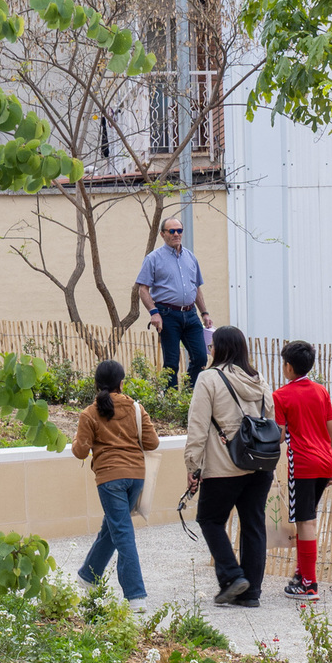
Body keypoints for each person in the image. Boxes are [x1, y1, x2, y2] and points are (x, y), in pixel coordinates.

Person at [184, 325, 274, 608]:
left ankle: (232, 576)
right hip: (260, 465)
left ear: (218, 348)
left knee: (209, 519)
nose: (208, 350)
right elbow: (270, 419)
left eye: (211, 346)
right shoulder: (259, 380)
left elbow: (197, 426)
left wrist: (193, 465)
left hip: (224, 466)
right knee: (253, 524)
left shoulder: (208, 378)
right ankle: (251, 593)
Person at [72, 360, 159, 612]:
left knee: (121, 532)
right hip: (136, 477)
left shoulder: (89, 413)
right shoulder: (135, 408)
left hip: (110, 479)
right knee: (112, 528)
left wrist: (78, 438)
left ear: (97, 384)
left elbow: (80, 452)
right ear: (121, 383)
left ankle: (136, 597)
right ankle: (88, 577)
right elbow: (152, 443)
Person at [272, 341, 332, 601]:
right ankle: (301, 573)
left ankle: (309, 585)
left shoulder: (281, 396)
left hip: (302, 464)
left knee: (305, 521)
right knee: (308, 517)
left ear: (288, 367)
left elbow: (279, 435)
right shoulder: (321, 391)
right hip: (324, 462)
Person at [136, 217, 214, 388]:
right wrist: (153, 312)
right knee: (171, 363)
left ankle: (188, 396)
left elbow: (197, 288)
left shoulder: (191, 257)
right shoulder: (153, 258)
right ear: (163, 234)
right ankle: (171, 402)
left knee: (201, 357)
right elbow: (143, 289)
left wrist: (205, 313)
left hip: (191, 313)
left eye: (179, 230)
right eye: (172, 231)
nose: (176, 234)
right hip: (167, 314)